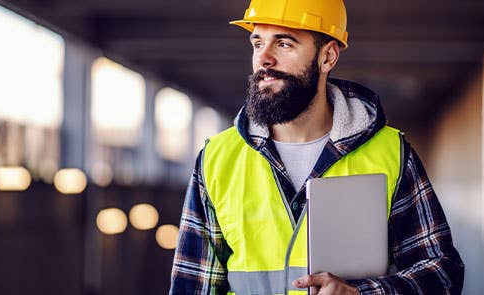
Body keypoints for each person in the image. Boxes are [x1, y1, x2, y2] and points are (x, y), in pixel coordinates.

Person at [170, 0, 464, 294]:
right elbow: (192, 286)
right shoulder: (217, 159)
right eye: (258, 43)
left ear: (328, 57)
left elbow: (442, 274)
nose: (264, 59)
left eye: (284, 44)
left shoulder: (391, 154)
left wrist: (362, 293)